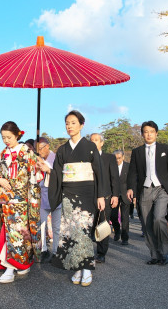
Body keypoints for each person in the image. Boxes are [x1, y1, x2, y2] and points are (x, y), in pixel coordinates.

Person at [38, 110, 105, 286]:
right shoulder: (62, 150)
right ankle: (77, 267)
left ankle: (87, 268)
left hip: (87, 193)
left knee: (83, 231)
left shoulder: (90, 147)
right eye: (67, 123)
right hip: (68, 194)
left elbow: (99, 172)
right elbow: (58, 175)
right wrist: (49, 172)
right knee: (71, 231)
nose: (69, 126)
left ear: (82, 125)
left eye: (73, 122)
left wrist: (101, 195)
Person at [0, 121, 43, 283]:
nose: (6, 141)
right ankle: (10, 266)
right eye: (3, 138)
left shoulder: (26, 152)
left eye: (9, 137)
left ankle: (21, 264)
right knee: (8, 232)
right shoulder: (3, 153)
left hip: (21, 199)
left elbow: (37, 172)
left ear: (17, 135)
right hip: (5, 200)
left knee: (21, 233)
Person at [127, 121, 168, 266]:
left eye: (151, 131)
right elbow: (133, 172)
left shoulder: (166, 149)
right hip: (144, 190)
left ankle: (164, 252)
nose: (148, 134)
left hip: (162, 189)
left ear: (156, 133)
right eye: (145, 131)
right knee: (147, 224)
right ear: (142, 134)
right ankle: (155, 255)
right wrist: (130, 188)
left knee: (158, 218)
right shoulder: (136, 152)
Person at [89, 133, 119, 262]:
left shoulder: (109, 158)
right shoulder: (86, 158)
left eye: (96, 140)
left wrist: (116, 195)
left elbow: (115, 178)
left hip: (106, 196)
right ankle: (87, 251)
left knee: (103, 224)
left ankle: (101, 253)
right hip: (89, 196)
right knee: (89, 225)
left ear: (102, 143)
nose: (94, 142)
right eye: (91, 140)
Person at [35, 137, 61, 263]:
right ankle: (44, 249)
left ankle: (56, 251)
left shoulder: (56, 158)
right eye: (37, 149)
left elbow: (60, 174)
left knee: (56, 226)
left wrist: (48, 169)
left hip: (56, 194)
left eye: (40, 149)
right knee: (42, 225)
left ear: (47, 147)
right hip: (43, 194)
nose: (39, 152)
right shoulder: (37, 158)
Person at [110, 149, 130, 246]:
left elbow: (132, 180)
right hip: (114, 195)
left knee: (125, 217)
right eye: (115, 158)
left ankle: (125, 238)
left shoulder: (128, 166)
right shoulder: (110, 166)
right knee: (113, 216)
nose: (117, 160)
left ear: (123, 157)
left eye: (119, 158)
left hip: (125, 194)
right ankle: (117, 230)